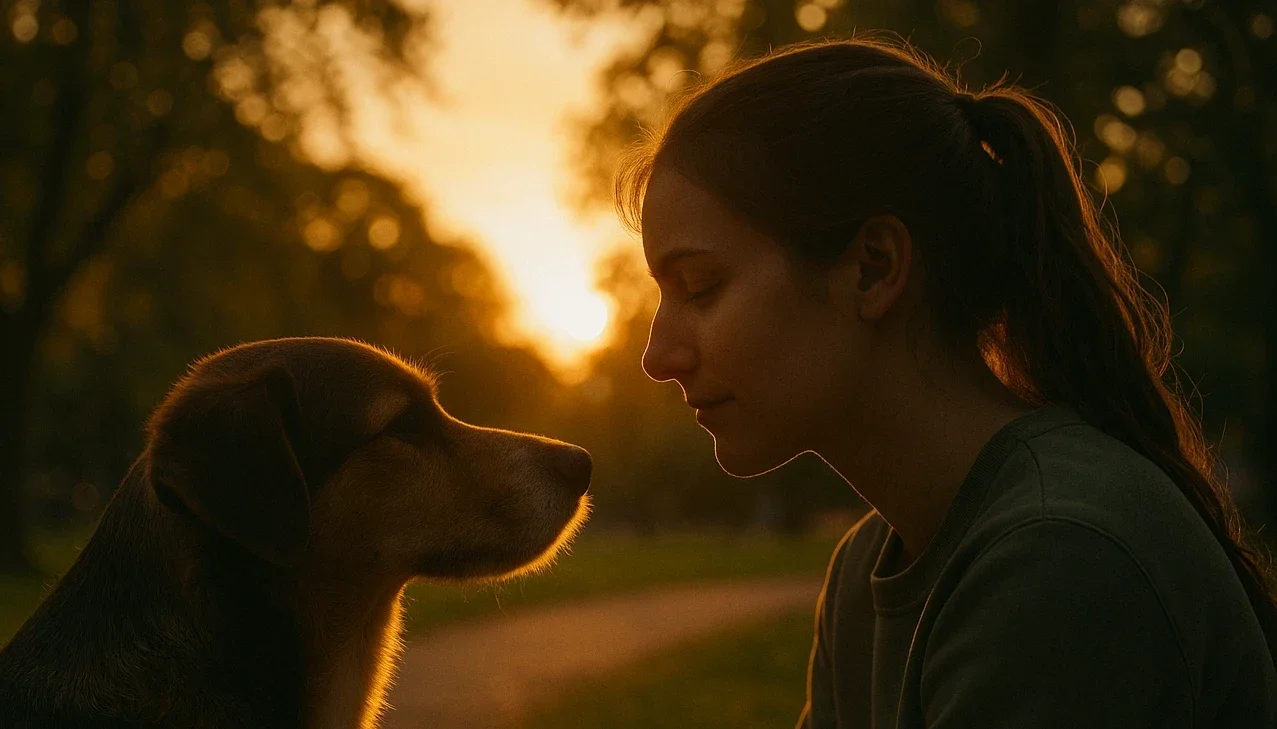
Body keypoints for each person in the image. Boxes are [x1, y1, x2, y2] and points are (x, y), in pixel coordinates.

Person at [625, 36, 1277, 728]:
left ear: (872, 268)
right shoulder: (862, 576)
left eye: (700, 288)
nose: (657, 356)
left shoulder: (1057, 557)